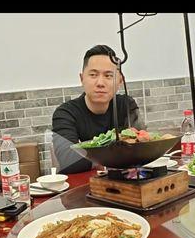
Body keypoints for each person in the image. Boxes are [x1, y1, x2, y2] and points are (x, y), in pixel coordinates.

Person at [52, 44, 140, 174]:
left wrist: (91, 155)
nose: (100, 83)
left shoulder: (126, 105)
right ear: (82, 79)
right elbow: (69, 160)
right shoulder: (65, 113)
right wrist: (118, 153)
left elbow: (141, 147)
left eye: (108, 76)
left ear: (120, 81)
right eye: (93, 75)